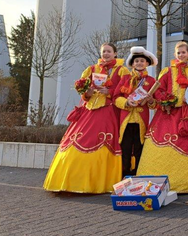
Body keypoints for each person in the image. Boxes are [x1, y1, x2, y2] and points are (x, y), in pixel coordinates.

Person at [43, 43, 130, 193]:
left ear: (115, 53)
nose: (106, 54)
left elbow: (126, 90)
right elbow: (83, 94)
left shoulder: (122, 71)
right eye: (104, 52)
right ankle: (71, 181)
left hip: (108, 111)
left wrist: (109, 91)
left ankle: (97, 183)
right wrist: (87, 92)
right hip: (89, 111)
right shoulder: (91, 70)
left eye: (109, 51)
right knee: (78, 139)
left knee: (101, 140)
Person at [136, 41, 188, 193]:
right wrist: (165, 99)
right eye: (178, 53)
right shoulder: (167, 71)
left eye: (184, 52)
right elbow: (159, 90)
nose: (181, 55)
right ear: (175, 54)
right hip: (167, 113)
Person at [113, 46, 158, 178]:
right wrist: (126, 102)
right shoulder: (125, 78)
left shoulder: (151, 81)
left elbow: (155, 104)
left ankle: (138, 173)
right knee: (125, 147)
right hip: (126, 119)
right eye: (137, 61)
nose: (139, 63)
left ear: (147, 64)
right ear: (132, 64)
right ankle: (124, 173)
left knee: (139, 147)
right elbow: (116, 97)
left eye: (142, 61)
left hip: (141, 119)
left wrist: (150, 101)